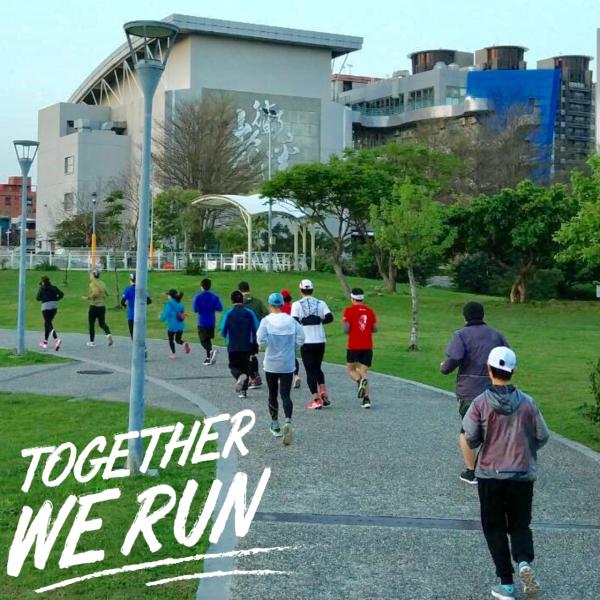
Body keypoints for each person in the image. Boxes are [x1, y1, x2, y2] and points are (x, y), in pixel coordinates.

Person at [463, 347, 548, 600]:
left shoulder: (480, 403)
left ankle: (507, 583)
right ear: (514, 371)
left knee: (494, 527)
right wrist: (526, 449)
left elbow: (470, 437)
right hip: (521, 475)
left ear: (489, 370)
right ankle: (524, 562)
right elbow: (542, 435)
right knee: (520, 524)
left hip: (491, 475)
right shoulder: (528, 403)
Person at [440, 301, 509, 485]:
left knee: (467, 431)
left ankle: (471, 472)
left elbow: (454, 357)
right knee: (493, 429)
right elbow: (507, 357)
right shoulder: (497, 335)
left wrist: (444, 368)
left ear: (464, 317)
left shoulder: (461, 335)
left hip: (469, 390)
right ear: (483, 316)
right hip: (495, 389)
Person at [257, 292, 305, 444]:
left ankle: (275, 423)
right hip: (287, 363)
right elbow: (301, 338)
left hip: (271, 363)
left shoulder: (266, 321)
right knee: (285, 394)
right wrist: (293, 348)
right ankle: (288, 421)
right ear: (282, 304)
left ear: (270, 305)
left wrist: (264, 346)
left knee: (272, 393)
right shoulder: (291, 321)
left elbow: (260, 340)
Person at [291, 279, 333, 410]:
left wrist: (304, 322)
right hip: (320, 340)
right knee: (317, 367)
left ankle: (316, 399)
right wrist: (319, 320)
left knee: (310, 370)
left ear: (301, 290)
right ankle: (323, 389)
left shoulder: (296, 304)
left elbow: (294, 321)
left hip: (306, 341)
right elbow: (330, 317)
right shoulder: (321, 303)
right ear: (312, 290)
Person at [343, 288, 378, 409]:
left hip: (353, 345)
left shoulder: (349, 310)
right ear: (362, 298)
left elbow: (346, 329)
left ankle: (359, 382)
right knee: (364, 371)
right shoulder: (370, 311)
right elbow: (375, 328)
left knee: (351, 370)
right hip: (367, 345)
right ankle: (366, 399)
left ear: (352, 298)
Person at [220, 290, 259, 398]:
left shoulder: (229, 313)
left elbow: (223, 331)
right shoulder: (249, 313)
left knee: (233, 367)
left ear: (232, 301)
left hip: (233, 345)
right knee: (245, 367)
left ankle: (239, 376)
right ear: (242, 300)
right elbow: (256, 328)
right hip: (247, 345)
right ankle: (243, 391)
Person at [239, 280, 268, 388]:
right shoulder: (258, 302)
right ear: (249, 289)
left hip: (244, 335)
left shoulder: (240, 304)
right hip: (256, 333)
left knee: (246, 357)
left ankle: (253, 377)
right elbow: (266, 314)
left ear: (239, 290)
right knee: (252, 355)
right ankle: (255, 375)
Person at [193, 278, 223, 366]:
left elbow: (195, 309)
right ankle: (208, 358)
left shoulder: (198, 297)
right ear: (210, 286)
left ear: (201, 286)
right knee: (208, 340)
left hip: (202, 321)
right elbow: (220, 308)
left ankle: (211, 351)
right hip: (211, 321)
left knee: (203, 340)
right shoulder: (215, 297)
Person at [83, 270, 113, 348]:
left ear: (93, 275)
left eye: (90, 274)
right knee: (102, 323)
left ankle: (91, 342)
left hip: (94, 306)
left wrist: (88, 297)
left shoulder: (92, 283)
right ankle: (108, 335)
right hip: (102, 306)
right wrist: (102, 296)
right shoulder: (102, 283)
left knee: (91, 324)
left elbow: (95, 292)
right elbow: (107, 293)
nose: (90, 276)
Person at [159, 289, 190, 359]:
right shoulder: (181, 304)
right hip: (180, 325)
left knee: (171, 340)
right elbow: (182, 313)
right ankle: (184, 343)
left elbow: (165, 315)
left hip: (172, 325)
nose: (168, 296)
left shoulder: (169, 304)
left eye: (168, 295)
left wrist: (160, 317)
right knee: (178, 340)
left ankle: (174, 354)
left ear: (170, 296)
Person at [36, 275, 64, 351]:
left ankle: (56, 339)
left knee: (48, 323)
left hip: (46, 307)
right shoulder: (53, 287)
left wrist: (41, 290)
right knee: (47, 323)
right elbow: (61, 294)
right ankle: (45, 342)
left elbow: (37, 298)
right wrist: (56, 299)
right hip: (54, 306)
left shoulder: (42, 288)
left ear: (43, 282)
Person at [121, 272, 152, 339]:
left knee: (133, 336)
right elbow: (149, 301)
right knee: (141, 335)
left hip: (131, 316)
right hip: (141, 316)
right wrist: (141, 304)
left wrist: (125, 306)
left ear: (131, 280)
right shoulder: (142, 289)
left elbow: (122, 302)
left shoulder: (127, 289)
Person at [281, 288, 301, 389]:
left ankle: (282, 377)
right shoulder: (293, 307)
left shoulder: (280, 308)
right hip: (292, 334)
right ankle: (296, 375)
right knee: (292, 356)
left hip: (281, 335)